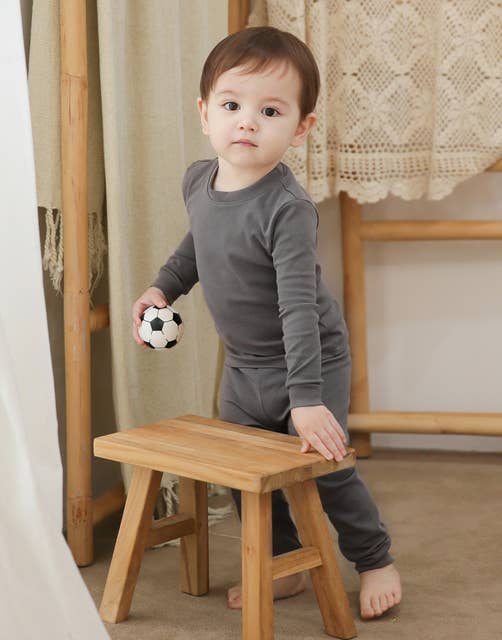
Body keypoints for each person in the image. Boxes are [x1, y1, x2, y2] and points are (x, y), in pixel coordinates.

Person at [132, 26, 402, 620]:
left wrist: (307, 399)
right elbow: (198, 246)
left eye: (270, 111)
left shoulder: (288, 208)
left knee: (326, 469)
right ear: (205, 113)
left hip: (310, 361)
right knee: (249, 474)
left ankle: (375, 559)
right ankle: (286, 565)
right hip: (245, 366)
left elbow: (298, 309)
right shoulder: (199, 182)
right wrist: (162, 287)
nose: (247, 123)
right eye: (232, 105)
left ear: (300, 127)